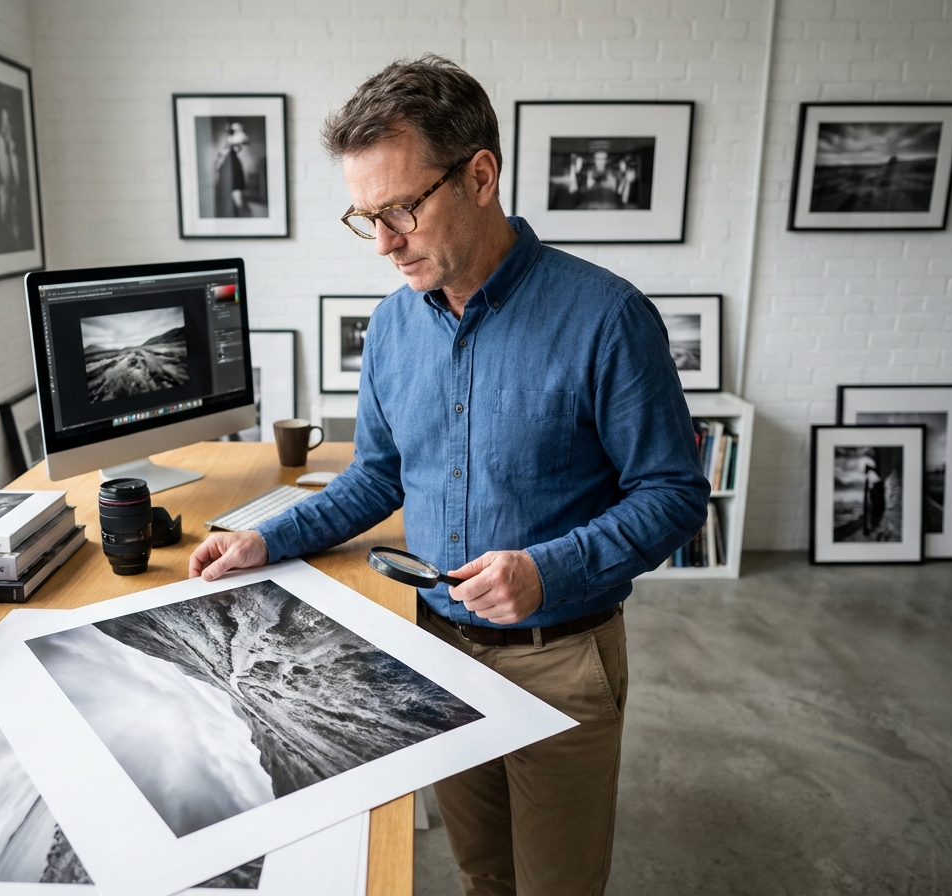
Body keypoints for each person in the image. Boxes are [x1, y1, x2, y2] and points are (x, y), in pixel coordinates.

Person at [190, 55, 709, 896]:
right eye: (367, 218)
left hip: (560, 658)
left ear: (480, 176)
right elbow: (377, 477)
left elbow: (675, 494)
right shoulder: (392, 328)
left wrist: (547, 570)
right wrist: (265, 539)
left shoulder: (608, 317)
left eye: (401, 209)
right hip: (434, 649)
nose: (384, 243)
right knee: (481, 874)